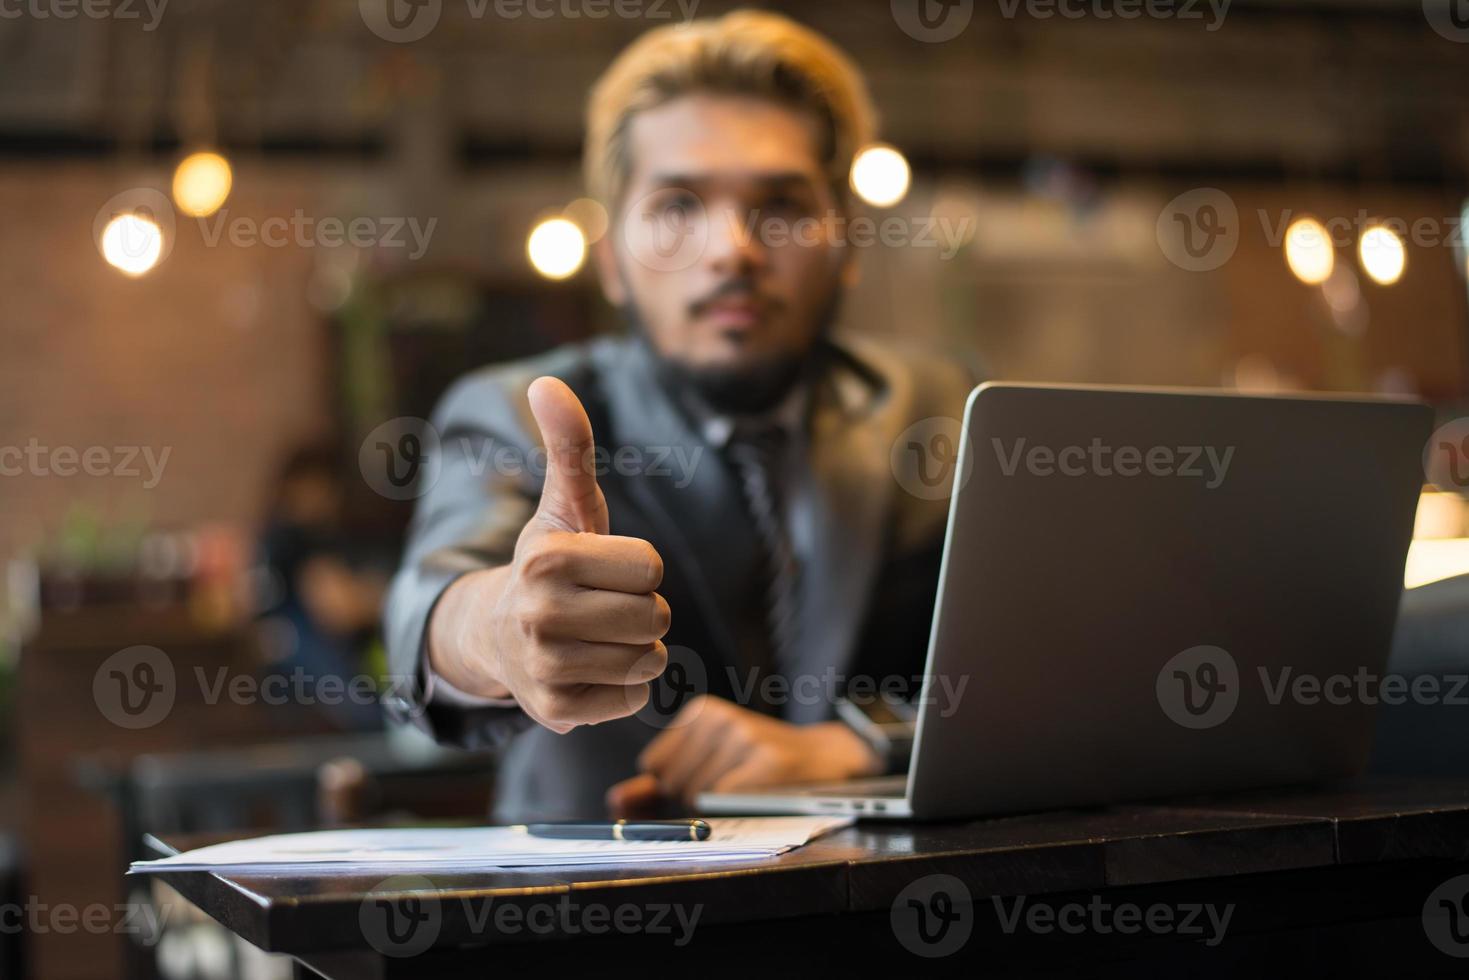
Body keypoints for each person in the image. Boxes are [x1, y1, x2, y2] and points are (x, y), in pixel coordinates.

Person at [383, 10, 975, 820]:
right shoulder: (517, 414)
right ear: (612, 264)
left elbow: (1057, 671)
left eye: (780, 207)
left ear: (848, 246)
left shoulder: (946, 412)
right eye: (675, 207)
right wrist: (498, 626)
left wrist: (866, 742)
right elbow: (430, 606)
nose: (732, 248)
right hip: (600, 919)